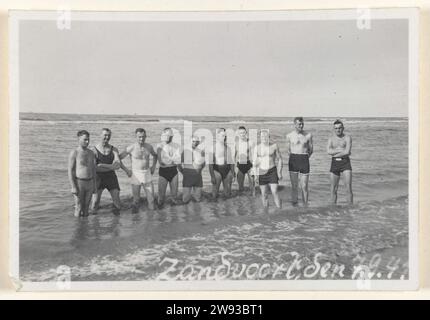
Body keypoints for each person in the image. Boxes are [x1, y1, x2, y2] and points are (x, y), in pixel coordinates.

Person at [120, 128, 158, 212]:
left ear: (146, 136)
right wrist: (126, 170)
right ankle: (135, 220)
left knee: (151, 200)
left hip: (147, 174)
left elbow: (155, 155)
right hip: (136, 174)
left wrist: (153, 166)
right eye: (139, 137)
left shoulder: (149, 147)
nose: (142, 139)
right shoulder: (131, 147)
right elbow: (118, 158)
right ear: (136, 137)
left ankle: (151, 221)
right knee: (136, 200)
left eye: (143, 137)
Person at [90, 128, 123, 215]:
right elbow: (94, 168)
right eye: (105, 135)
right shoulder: (93, 150)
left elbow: (118, 165)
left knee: (117, 203)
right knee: (95, 204)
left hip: (111, 178)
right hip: (98, 178)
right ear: (100, 135)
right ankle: (93, 223)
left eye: (109, 135)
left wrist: (103, 165)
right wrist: (112, 167)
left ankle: (116, 223)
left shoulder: (114, 149)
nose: (107, 137)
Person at [68, 130, 97, 217]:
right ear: (79, 139)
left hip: (90, 182)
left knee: (86, 208)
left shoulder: (91, 153)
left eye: (88, 140)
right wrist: (73, 186)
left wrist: (95, 186)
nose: (87, 142)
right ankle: (77, 229)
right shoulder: (74, 152)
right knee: (78, 207)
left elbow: (93, 170)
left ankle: (85, 228)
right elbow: (70, 170)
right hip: (79, 182)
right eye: (85, 140)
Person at [286, 117, 313, 206]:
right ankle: (295, 206)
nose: (301, 126)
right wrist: (295, 157)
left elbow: (311, 150)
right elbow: (288, 150)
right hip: (293, 160)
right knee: (294, 186)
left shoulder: (308, 135)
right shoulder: (289, 136)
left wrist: (304, 157)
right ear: (295, 125)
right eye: (299, 124)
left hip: (304, 159)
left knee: (304, 186)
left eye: (302, 124)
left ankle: (305, 206)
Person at [253, 130, 283, 208]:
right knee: (264, 194)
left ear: (269, 137)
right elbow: (255, 163)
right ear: (260, 137)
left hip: (272, 171)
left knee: (274, 191)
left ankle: (280, 211)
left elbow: (280, 159)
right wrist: (256, 175)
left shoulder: (274, 146)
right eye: (262, 136)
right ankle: (266, 214)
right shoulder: (257, 148)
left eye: (266, 136)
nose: (264, 138)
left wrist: (279, 172)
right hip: (261, 172)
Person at [327, 119, 353, 204]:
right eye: (336, 128)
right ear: (334, 129)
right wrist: (341, 150)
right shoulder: (331, 139)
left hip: (345, 163)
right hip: (335, 164)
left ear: (343, 128)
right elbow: (328, 151)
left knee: (348, 188)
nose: (338, 130)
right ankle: (333, 210)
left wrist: (335, 154)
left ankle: (350, 209)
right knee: (333, 189)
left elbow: (347, 152)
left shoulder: (347, 138)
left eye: (340, 128)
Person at [156, 128, 181, 207]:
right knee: (161, 198)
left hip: (173, 172)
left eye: (169, 136)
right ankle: (160, 215)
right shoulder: (159, 145)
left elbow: (177, 160)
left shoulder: (177, 146)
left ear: (172, 136)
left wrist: (171, 161)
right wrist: (172, 160)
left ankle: (173, 215)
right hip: (163, 172)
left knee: (174, 197)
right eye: (165, 136)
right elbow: (161, 161)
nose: (167, 138)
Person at [178, 136, 206, 203]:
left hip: (198, 178)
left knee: (198, 199)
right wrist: (183, 172)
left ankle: (196, 212)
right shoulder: (185, 151)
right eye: (193, 141)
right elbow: (178, 164)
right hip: (187, 178)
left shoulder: (201, 152)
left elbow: (204, 163)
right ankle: (185, 212)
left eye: (196, 141)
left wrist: (200, 170)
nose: (195, 143)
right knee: (185, 199)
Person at [209, 128, 235, 198]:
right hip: (217, 170)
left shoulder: (228, 148)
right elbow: (210, 164)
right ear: (218, 136)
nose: (225, 137)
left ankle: (225, 207)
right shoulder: (213, 148)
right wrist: (212, 176)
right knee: (214, 194)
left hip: (227, 170)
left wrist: (233, 173)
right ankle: (213, 207)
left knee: (227, 194)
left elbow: (231, 162)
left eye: (225, 136)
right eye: (223, 135)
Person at [234, 126, 255, 196]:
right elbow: (233, 157)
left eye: (243, 133)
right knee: (240, 187)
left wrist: (254, 168)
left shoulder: (250, 142)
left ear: (246, 133)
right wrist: (233, 169)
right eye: (240, 133)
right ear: (238, 134)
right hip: (240, 165)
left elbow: (254, 156)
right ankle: (241, 202)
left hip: (249, 165)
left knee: (252, 186)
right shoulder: (236, 143)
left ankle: (253, 202)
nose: (242, 134)